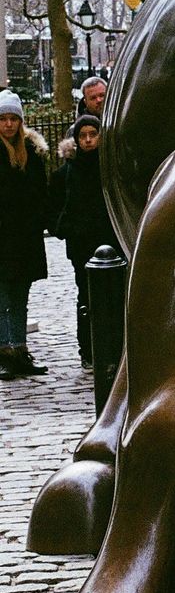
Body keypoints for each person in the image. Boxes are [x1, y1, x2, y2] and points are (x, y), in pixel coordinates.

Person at [50, 115, 121, 370]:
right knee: (87, 298)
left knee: (115, 296)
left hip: (111, 241)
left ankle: (115, 348)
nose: (89, 140)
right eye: (83, 136)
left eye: (93, 134)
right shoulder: (67, 172)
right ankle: (88, 349)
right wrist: (63, 227)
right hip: (82, 246)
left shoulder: (111, 167)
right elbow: (54, 205)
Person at [0, 90, 50, 379]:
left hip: (25, 237)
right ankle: (6, 350)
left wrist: (39, 219)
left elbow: (39, 193)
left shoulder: (31, 153)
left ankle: (19, 348)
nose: (8, 125)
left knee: (20, 297)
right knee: (3, 297)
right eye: (3, 119)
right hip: (4, 237)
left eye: (13, 119)